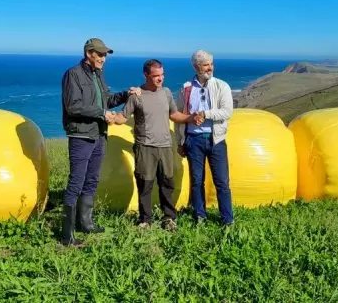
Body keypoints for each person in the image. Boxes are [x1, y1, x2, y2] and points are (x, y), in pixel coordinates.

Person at [60, 38, 141, 246]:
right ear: (89, 54)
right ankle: (67, 234)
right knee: (76, 182)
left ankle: (85, 223)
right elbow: (73, 106)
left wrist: (126, 94)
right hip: (81, 135)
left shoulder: (98, 75)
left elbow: (108, 101)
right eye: (101, 54)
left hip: (98, 134)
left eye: (105, 55)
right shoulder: (73, 75)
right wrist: (102, 113)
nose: (104, 59)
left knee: (92, 179)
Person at [112, 59, 203, 230]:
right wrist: (110, 118)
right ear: (146, 75)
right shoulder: (136, 96)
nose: (160, 79)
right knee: (145, 184)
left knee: (167, 184)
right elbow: (123, 117)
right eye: (156, 76)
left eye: (162, 75)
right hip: (144, 147)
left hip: (165, 147)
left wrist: (190, 118)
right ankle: (145, 220)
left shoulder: (166, 93)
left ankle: (169, 218)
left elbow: (174, 114)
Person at [175, 50, 235, 226]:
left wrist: (204, 113)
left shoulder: (222, 86)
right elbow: (179, 115)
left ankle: (227, 219)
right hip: (193, 140)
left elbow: (227, 111)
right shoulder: (186, 88)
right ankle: (200, 216)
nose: (210, 67)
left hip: (216, 140)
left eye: (211, 63)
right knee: (196, 181)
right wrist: (180, 141)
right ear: (196, 67)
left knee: (222, 182)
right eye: (206, 64)